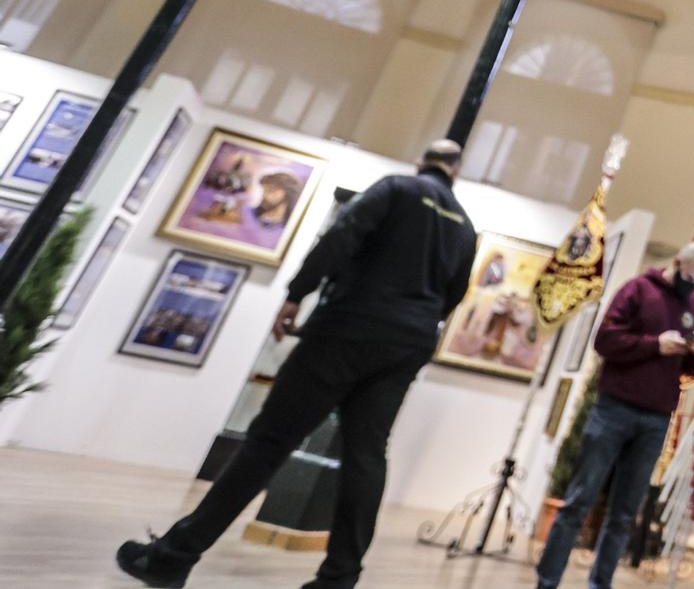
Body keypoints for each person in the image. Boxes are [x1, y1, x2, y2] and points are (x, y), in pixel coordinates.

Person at [116, 140, 480, 589]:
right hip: (407, 343)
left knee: (268, 442)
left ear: (421, 161)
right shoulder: (465, 226)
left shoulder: (396, 189)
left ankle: (173, 556)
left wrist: (297, 292)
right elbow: (456, 294)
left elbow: (341, 237)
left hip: (347, 329)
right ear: (456, 173)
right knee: (366, 457)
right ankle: (338, 580)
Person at [535, 241, 694, 589]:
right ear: (677, 262)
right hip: (614, 408)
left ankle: (599, 582)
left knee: (623, 513)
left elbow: (691, 368)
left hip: (656, 418)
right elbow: (605, 340)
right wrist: (654, 345)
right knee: (579, 500)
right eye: (689, 276)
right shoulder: (638, 289)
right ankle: (547, 580)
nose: (692, 285)